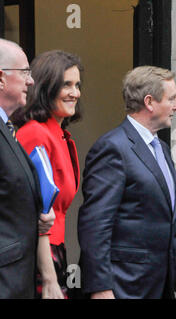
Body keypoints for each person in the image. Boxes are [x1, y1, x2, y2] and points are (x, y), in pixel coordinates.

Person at [78, 66, 176, 299]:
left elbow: (174, 221)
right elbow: (95, 225)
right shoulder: (112, 148)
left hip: (161, 285)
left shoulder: (162, 149)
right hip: (124, 286)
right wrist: (100, 287)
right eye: (171, 99)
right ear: (149, 102)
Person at [11, 50, 82, 299]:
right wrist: (50, 275)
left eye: (77, 85)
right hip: (39, 255)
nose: (76, 93)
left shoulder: (61, 136)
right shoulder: (35, 134)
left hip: (56, 249)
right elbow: (35, 213)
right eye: (67, 85)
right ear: (46, 88)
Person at [0, 39, 54, 298]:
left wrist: (38, 218)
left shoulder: (9, 130)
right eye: (24, 73)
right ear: (1, 78)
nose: (31, 81)